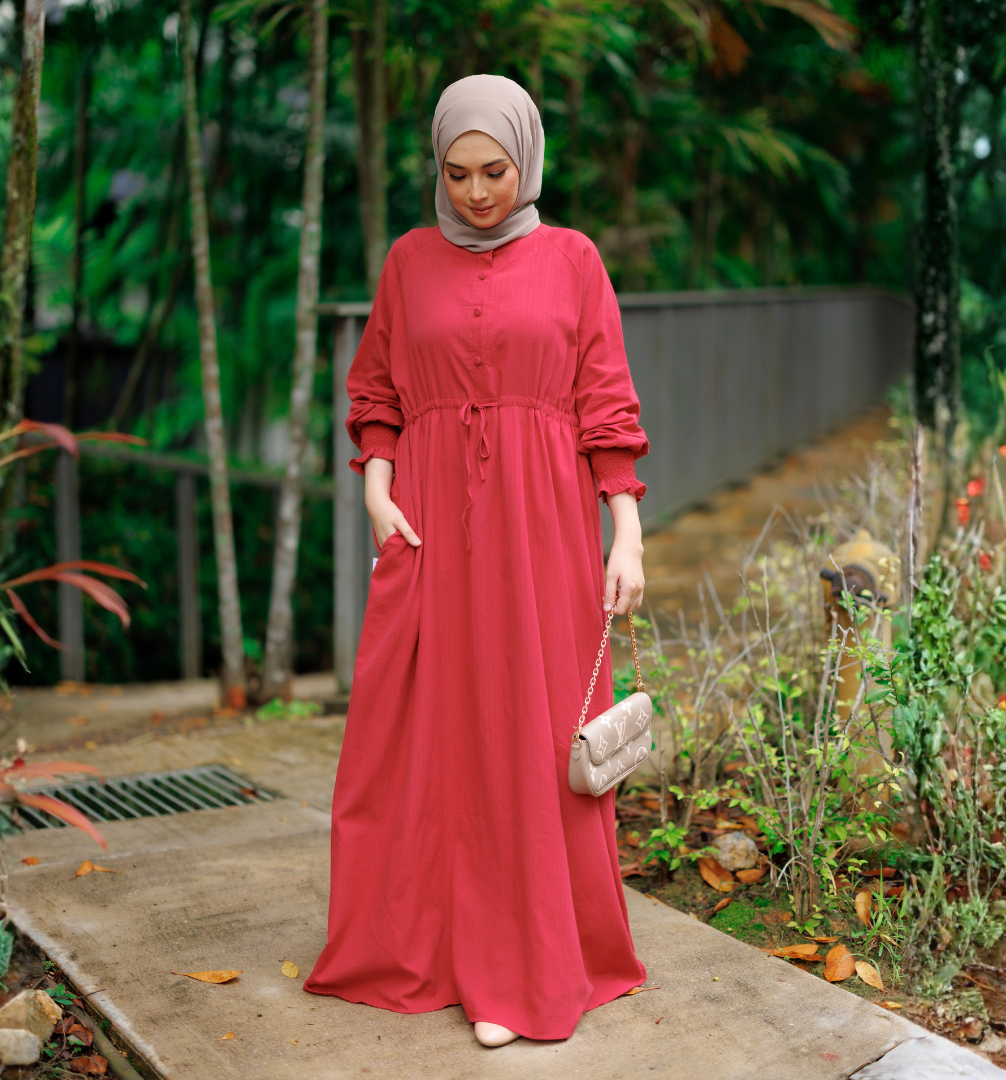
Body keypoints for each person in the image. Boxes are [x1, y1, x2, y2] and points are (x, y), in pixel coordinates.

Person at [304, 73, 649, 1048]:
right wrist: (377, 490)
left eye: (494, 170)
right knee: (423, 739)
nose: (477, 192)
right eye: (456, 174)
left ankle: (519, 965)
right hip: (428, 531)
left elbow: (606, 405)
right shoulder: (409, 261)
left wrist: (625, 531)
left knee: (527, 737)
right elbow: (376, 391)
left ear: (525, 159)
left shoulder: (574, 259)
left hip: (542, 534)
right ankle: (436, 949)